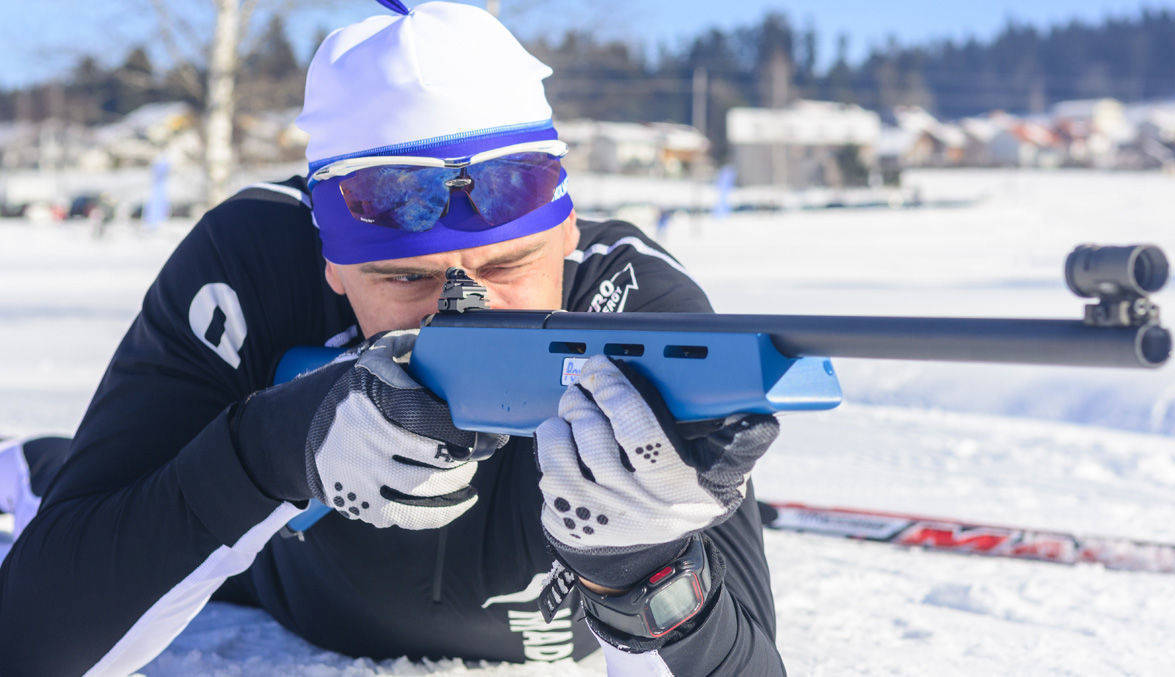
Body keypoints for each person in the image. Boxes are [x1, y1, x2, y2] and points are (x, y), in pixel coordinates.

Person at [0, 3, 784, 675]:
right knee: (77, 481)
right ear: (332, 264)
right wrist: (276, 447)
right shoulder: (254, 262)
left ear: (569, 229)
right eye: (409, 279)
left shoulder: (642, 306)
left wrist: (639, 571)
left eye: (508, 263)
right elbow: (31, 640)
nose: (469, 308)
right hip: (274, 577)